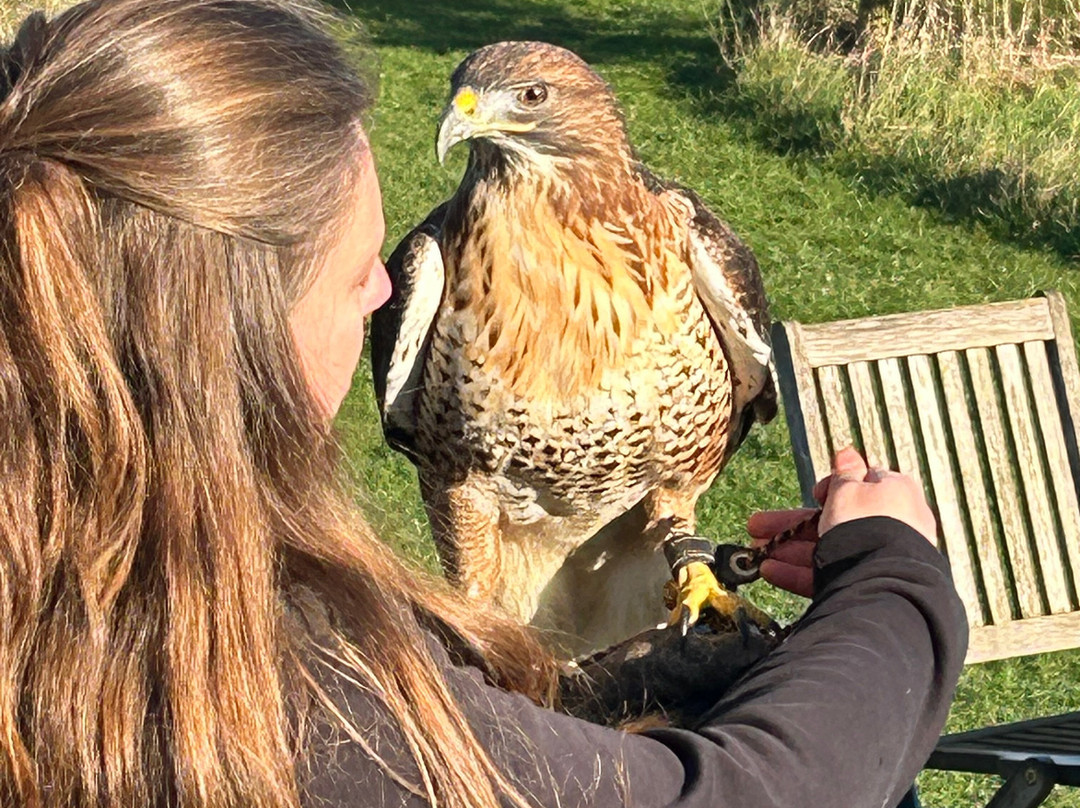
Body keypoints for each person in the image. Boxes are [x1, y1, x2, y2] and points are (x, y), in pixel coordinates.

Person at [0, 1, 968, 806]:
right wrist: (893, 574)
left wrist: (564, 668)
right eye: (356, 275)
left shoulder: (83, 591)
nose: (386, 292)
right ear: (236, 326)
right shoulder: (296, 693)